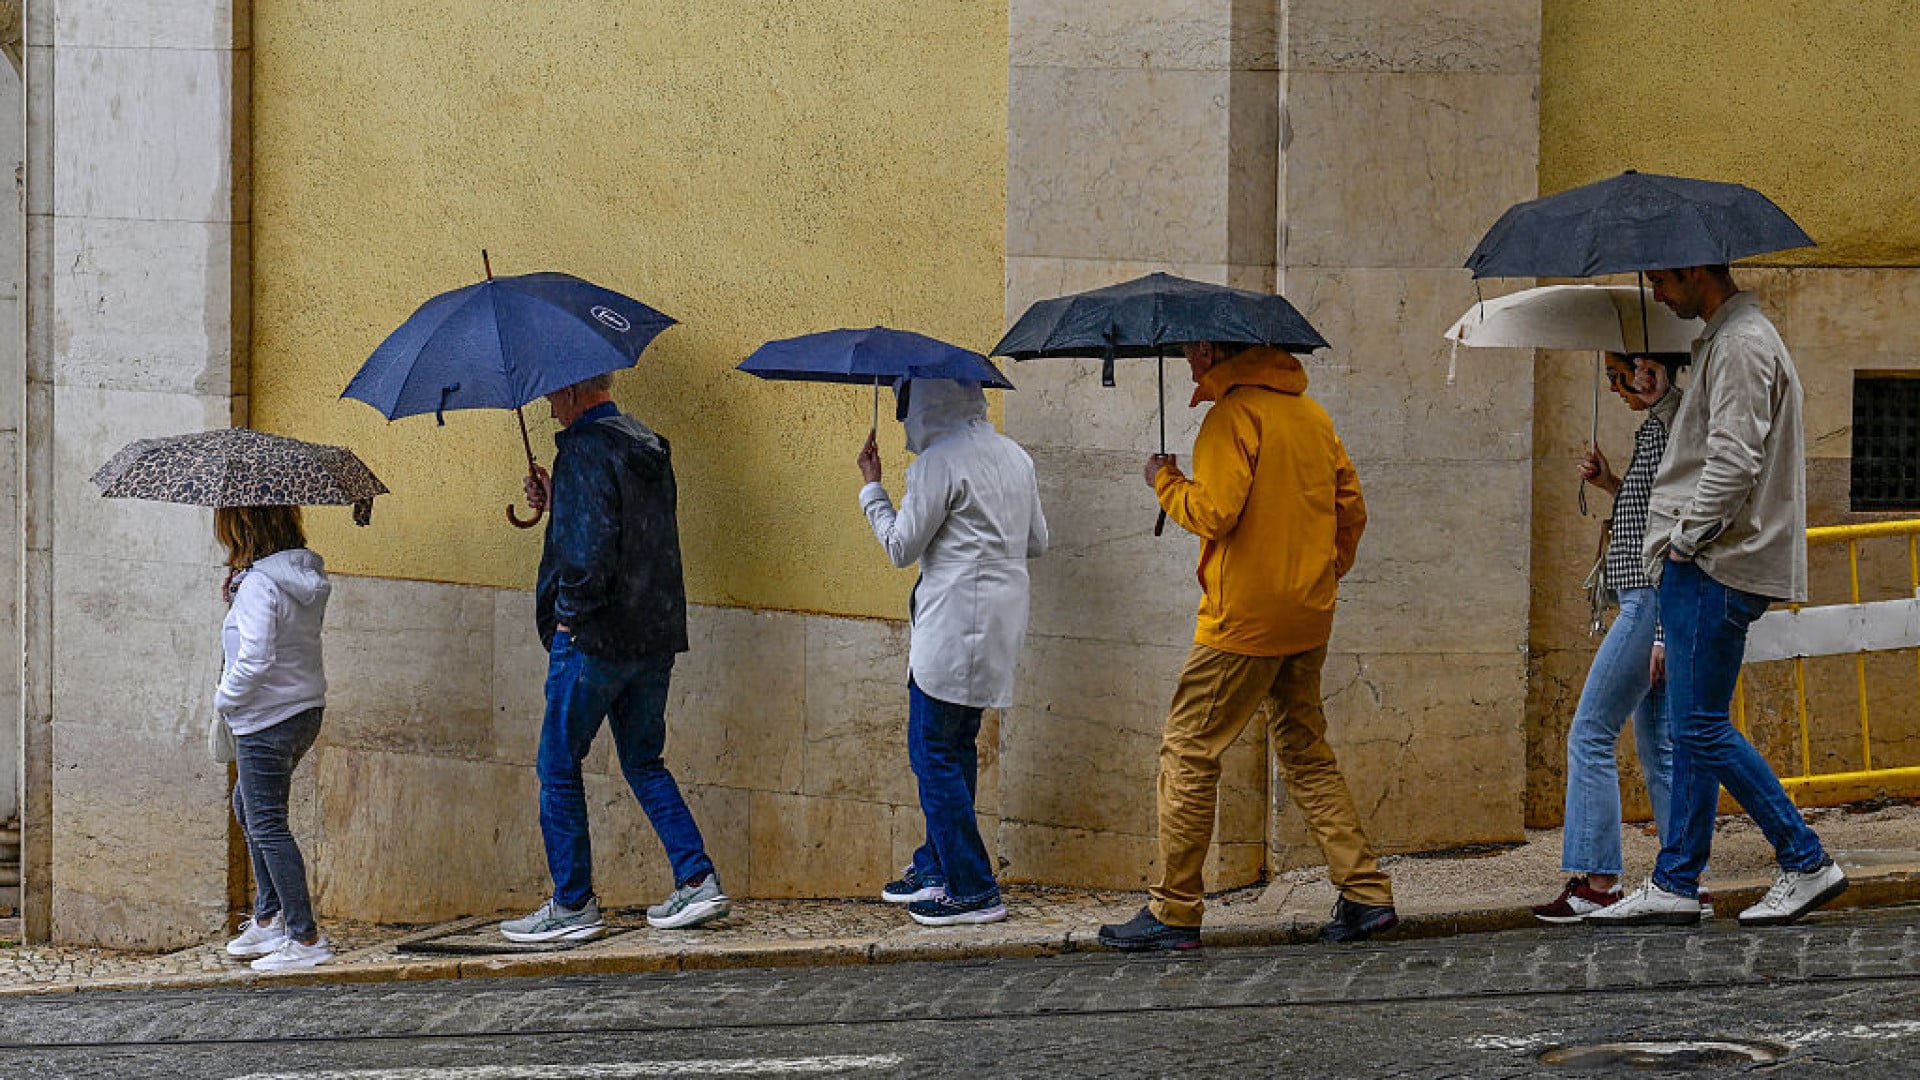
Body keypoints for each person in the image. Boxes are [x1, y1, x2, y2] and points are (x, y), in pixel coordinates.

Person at [1098, 341, 1394, 950]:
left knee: (1188, 749)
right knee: (1306, 750)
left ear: (1208, 351)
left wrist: (1165, 480)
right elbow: (1352, 509)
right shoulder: (1311, 415)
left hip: (1243, 622)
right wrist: (1319, 574)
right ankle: (1365, 893)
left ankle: (1176, 909)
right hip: (1307, 614)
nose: (1185, 363)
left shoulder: (1232, 416)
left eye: (1187, 353)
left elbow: (1214, 512)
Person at [1590, 265, 1848, 928]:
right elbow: (1716, 449)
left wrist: (1683, 540)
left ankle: (1805, 859)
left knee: (1700, 726)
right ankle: (1677, 878)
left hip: (1711, 564)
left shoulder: (1739, 345)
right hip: (1712, 562)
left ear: (1694, 272)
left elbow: (1734, 461)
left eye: (1661, 280)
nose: (1657, 294)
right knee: (1694, 723)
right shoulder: (1730, 341)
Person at [501, 372, 728, 942]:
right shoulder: (646, 443)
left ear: (576, 391)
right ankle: (697, 879)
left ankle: (572, 903)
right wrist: (560, 501)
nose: (549, 406)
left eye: (553, 394)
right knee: (644, 760)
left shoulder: (583, 449)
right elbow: (630, 529)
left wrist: (567, 615)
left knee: (557, 765)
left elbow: (591, 550)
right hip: (652, 635)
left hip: (594, 638)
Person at [857, 377, 1048, 926]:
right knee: (955, 747)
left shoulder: (937, 464)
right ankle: (935, 864)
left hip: (952, 625)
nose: (903, 420)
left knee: (931, 752)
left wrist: (874, 487)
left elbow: (900, 547)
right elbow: (1036, 540)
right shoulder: (1015, 457)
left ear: (927, 403)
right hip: (999, 623)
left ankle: (972, 887)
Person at [1532, 352, 1686, 923]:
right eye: (1615, 378)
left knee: (1590, 733)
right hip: (1646, 601)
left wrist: (1665, 635)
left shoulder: (1673, 426)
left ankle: (1598, 883)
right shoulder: (1658, 430)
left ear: (1652, 370)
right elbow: (1650, 511)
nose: (1617, 386)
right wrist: (1611, 483)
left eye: (1621, 374)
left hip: (1649, 602)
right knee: (1660, 751)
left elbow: (1679, 529)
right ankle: (1681, 876)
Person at [215, 505, 334, 972]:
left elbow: (257, 657)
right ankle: (268, 915)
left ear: (243, 529)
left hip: (266, 717)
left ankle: (304, 938)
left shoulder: (261, 584)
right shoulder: (298, 576)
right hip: (303, 709)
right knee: (247, 803)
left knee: (266, 823)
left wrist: (225, 698)